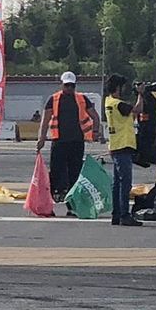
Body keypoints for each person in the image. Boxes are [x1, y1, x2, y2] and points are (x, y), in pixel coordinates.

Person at [35, 71, 98, 215]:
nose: (69, 88)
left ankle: (72, 207)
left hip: (76, 142)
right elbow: (45, 122)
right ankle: (48, 206)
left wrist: (95, 132)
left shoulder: (82, 99)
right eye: (67, 85)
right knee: (56, 174)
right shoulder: (53, 99)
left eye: (72, 85)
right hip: (59, 142)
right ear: (62, 84)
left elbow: (95, 116)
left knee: (75, 175)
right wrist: (41, 138)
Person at [104, 74, 144, 227]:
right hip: (123, 145)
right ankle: (124, 215)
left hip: (115, 146)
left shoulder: (109, 102)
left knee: (117, 183)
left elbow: (130, 114)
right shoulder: (118, 104)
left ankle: (116, 215)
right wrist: (140, 94)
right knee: (125, 183)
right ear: (118, 88)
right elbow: (138, 109)